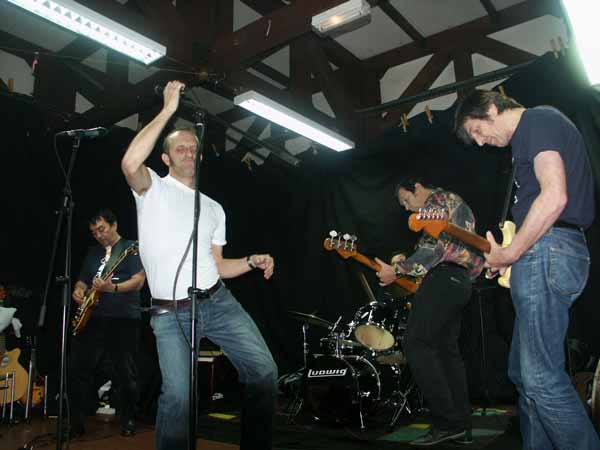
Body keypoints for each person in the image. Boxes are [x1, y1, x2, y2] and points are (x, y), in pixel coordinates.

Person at [121, 80, 278, 450]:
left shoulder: (214, 208)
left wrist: (250, 261)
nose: (189, 152)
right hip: (170, 313)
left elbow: (219, 266)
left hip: (218, 302)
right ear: (166, 158)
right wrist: (168, 109)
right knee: (179, 397)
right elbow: (129, 163)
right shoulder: (152, 189)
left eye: (193, 148)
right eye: (180, 148)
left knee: (264, 372)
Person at [455, 90, 599, 450]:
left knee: (540, 378)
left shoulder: (537, 120)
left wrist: (511, 252)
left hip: (548, 251)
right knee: (523, 373)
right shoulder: (528, 138)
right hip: (547, 253)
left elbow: (554, 196)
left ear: (491, 108)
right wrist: (508, 256)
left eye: (477, 130)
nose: (479, 142)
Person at [376, 176, 484, 446]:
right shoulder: (456, 204)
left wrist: (397, 270)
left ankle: (446, 422)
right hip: (461, 282)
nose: (406, 207)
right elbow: (456, 249)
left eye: (406, 199)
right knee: (447, 353)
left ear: (418, 188)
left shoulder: (437, 200)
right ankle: (461, 425)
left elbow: (433, 250)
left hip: (443, 279)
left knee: (416, 344)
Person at [69, 209, 145, 438]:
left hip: (122, 318)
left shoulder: (131, 248)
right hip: (92, 318)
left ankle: (129, 418)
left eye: (101, 229)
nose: (98, 235)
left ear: (114, 225)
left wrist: (112, 288)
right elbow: (82, 281)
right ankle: (75, 422)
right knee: (78, 369)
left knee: (125, 372)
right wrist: (78, 291)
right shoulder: (92, 252)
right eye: (94, 232)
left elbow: (139, 281)